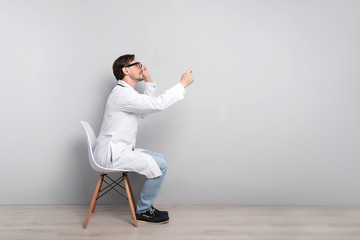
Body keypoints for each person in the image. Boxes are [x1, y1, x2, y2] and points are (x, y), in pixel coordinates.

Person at [94, 54, 194, 224]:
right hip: (112, 155)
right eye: (137, 64)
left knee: (161, 160)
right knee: (160, 165)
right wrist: (182, 84)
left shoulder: (126, 93)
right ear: (126, 70)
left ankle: (144, 208)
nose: (141, 67)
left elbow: (145, 107)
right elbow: (156, 105)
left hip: (118, 149)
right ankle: (143, 211)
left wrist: (148, 80)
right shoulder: (122, 95)